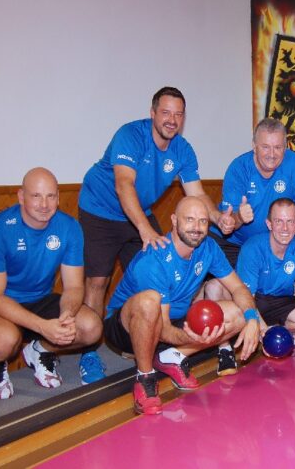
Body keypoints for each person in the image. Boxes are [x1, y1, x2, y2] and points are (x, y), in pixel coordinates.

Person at [78, 87, 223, 381]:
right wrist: (144, 229)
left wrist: (218, 217)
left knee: (155, 276)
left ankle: (148, 337)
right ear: (153, 113)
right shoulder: (130, 135)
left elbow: (196, 193)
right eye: (166, 112)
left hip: (138, 211)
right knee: (98, 281)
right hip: (100, 210)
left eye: (178, 114)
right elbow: (124, 185)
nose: (172, 120)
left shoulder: (183, 149)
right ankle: (89, 353)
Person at [104, 197, 262, 415]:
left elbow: (238, 288)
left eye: (203, 221)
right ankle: (145, 378)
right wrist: (193, 339)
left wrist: (252, 319)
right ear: (174, 220)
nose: (197, 227)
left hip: (172, 320)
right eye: (189, 219)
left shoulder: (208, 247)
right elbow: (162, 328)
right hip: (128, 327)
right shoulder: (154, 259)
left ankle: (170, 357)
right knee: (149, 301)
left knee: (238, 314)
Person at [0, 168, 102, 399]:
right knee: (2, 342)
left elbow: (74, 287)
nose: (44, 204)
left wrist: (66, 316)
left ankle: (40, 350)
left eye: (50, 196)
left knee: (91, 327)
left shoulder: (69, 227)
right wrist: (43, 327)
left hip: (39, 299)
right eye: (36, 196)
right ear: (21, 197)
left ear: (58, 198)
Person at [211, 118, 295, 268]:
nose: (272, 154)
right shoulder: (238, 169)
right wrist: (239, 217)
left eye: (277, 147)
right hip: (232, 244)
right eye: (265, 147)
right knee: (223, 283)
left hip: (273, 248)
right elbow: (229, 222)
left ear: (285, 147)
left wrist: (291, 247)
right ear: (254, 146)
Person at [235, 198, 295, 351]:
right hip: (255, 298)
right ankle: (266, 331)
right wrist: (265, 332)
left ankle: (282, 332)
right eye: (279, 221)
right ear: (269, 224)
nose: (285, 228)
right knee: (237, 312)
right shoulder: (252, 248)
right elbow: (246, 297)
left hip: (281, 299)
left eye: (290, 221)